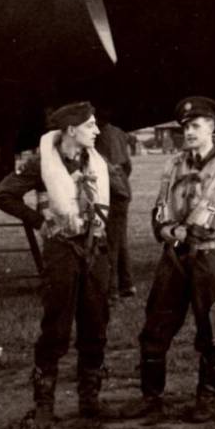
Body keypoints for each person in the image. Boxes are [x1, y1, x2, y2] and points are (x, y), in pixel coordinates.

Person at [0, 101, 115, 429]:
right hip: (61, 251)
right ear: (71, 130)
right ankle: (44, 405)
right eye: (90, 125)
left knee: (96, 322)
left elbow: (119, 193)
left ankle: (90, 400)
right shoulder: (41, 163)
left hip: (95, 250)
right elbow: (2, 195)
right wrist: (38, 219)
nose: (97, 131)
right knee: (56, 328)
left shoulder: (97, 162)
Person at [120, 96, 215, 423]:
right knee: (155, 327)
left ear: (212, 128)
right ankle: (151, 398)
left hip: (211, 257)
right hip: (174, 257)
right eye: (185, 127)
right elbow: (159, 208)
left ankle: (207, 397)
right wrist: (165, 230)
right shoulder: (173, 164)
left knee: (211, 329)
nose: (188, 132)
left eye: (196, 126)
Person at [95, 110, 135, 300]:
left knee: (110, 242)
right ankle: (126, 284)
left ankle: (111, 288)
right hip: (123, 191)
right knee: (120, 240)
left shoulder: (98, 136)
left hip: (110, 193)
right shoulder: (119, 132)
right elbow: (128, 165)